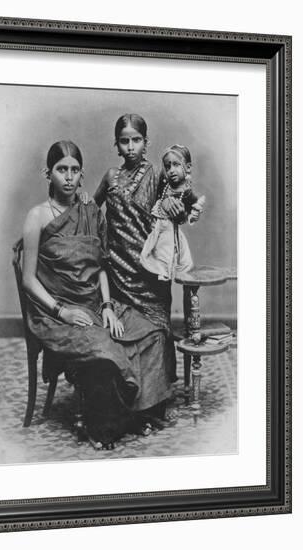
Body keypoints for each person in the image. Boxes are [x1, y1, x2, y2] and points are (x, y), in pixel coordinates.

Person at [22, 140, 169, 449]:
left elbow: (101, 266)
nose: (68, 177)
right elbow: (29, 280)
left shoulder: (89, 210)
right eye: (61, 170)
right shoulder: (37, 217)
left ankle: (136, 413)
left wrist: (106, 307)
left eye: (75, 170)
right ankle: (108, 426)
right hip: (56, 312)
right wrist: (62, 311)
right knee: (106, 349)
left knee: (152, 333)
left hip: (94, 302)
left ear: (82, 174)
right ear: (47, 173)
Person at [93, 114, 181, 425]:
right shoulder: (111, 177)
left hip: (148, 273)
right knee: (127, 336)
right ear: (116, 144)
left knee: (156, 331)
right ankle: (129, 402)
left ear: (146, 143)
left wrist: (177, 207)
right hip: (117, 273)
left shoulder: (157, 175)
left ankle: (154, 401)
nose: (130, 146)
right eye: (124, 140)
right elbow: (91, 212)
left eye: (136, 140)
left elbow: (176, 202)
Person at [140, 144, 205, 280]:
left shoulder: (187, 194)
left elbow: (189, 217)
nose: (171, 170)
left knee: (180, 263)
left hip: (171, 234)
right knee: (151, 257)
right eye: (168, 166)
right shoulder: (164, 186)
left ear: (187, 167)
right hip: (157, 230)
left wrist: (191, 215)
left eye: (176, 165)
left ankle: (190, 294)